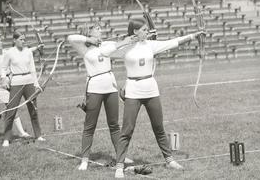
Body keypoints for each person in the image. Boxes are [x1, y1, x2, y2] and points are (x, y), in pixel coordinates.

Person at [100, 18, 205, 179]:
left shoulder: (150, 45)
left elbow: (173, 42)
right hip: (133, 91)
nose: (147, 32)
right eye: (143, 30)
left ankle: (169, 160)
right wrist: (124, 42)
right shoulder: (125, 47)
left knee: (159, 127)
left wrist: (194, 36)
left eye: (146, 30)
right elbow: (104, 52)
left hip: (151, 90)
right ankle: (119, 166)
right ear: (134, 31)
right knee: (127, 130)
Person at [68, 23, 134, 171]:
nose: (101, 30)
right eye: (97, 29)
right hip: (94, 89)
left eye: (100, 28)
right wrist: (89, 40)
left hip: (110, 87)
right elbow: (70, 37)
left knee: (114, 125)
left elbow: (121, 47)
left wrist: (131, 40)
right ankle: (84, 160)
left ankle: (121, 156)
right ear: (89, 31)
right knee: (89, 126)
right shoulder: (83, 48)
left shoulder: (106, 44)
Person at [0, 30, 45, 147]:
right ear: (14, 40)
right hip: (16, 82)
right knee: (11, 110)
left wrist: (36, 83)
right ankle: (6, 138)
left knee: (33, 109)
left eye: (24, 39)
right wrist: (3, 79)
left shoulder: (28, 52)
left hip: (29, 82)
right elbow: (3, 68)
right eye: (20, 39)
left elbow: (33, 68)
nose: (23, 41)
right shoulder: (9, 52)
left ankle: (38, 135)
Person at [0, 33, 30, 138]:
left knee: (11, 108)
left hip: (3, 84)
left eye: (1, 41)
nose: (1, 43)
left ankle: (22, 132)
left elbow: (18, 52)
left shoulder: (5, 52)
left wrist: (37, 48)